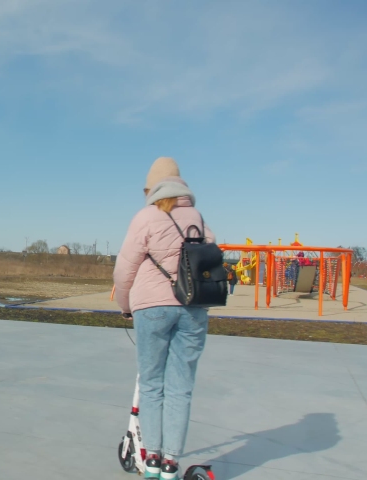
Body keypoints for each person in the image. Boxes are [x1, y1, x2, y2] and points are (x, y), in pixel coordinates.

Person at [113, 157, 214, 480]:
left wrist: (126, 306)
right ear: (181, 185)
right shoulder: (197, 218)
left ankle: (152, 459)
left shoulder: (146, 217)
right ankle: (172, 463)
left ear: (152, 188)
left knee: (153, 384)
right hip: (193, 307)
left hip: (151, 309)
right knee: (181, 388)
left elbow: (125, 268)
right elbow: (211, 255)